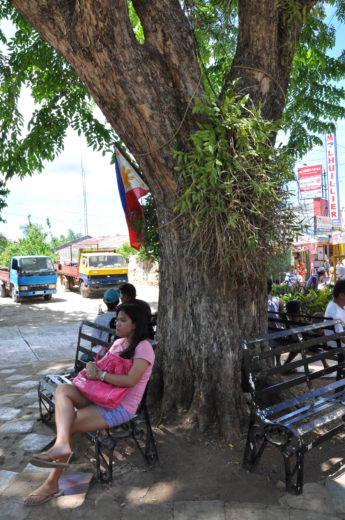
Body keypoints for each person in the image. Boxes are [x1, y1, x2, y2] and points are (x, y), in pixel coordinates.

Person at [24, 303, 155, 506]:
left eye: (122, 320)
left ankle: (52, 482)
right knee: (63, 391)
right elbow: (102, 367)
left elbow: (130, 380)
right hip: (104, 396)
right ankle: (62, 446)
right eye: (117, 319)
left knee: (69, 425)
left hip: (120, 406)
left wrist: (101, 374)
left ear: (136, 324)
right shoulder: (120, 343)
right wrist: (92, 366)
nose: (116, 324)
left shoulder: (143, 348)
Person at [267, 279, 284, 366]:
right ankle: (278, 361)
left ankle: (273, 363)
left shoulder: (256, 301)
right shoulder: (278, 301)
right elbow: (283, 316)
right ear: (271, 289)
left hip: (266, 331)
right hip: (276, 331)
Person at [324, 279, 345, 349]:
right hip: (338, 347)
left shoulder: (334, 304)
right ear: (341, 295)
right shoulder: (335, 314)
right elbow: (343, 339)